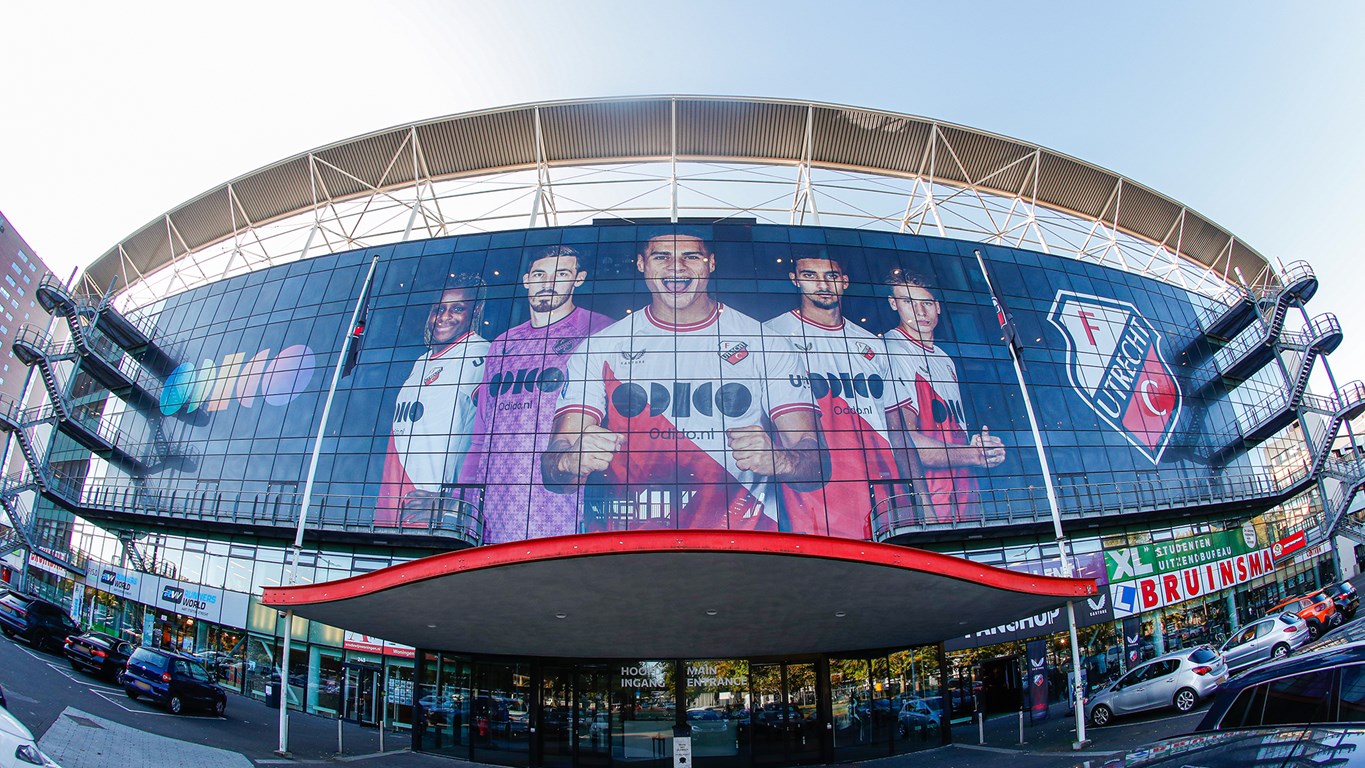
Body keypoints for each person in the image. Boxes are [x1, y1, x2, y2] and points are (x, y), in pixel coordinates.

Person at [542, 232, 824, 530]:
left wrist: (781, 460)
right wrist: (570, 461)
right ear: (641, 265)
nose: (677, 267)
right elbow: (556, 476)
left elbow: (815, 468)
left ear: (711, 264)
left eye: (691, 256)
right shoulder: (600, 347)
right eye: (661, 256)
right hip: (626, 544)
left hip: (740, 543)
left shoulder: (767, 343)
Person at [762, 252, 923, 538]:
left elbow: (898, 431)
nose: (822, 284)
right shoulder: (770, 335)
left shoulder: (872, 344)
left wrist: (923, 501)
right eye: (810, 276)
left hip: (882, 493)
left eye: (831, 276)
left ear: (845, 282)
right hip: (811, 500)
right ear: (795, 280)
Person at [460, 246, 612, 543]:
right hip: (494, 504)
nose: (548, 283)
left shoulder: (600, 329)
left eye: (562, 274)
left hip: (562, 504)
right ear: (527, 279)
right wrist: (462, 494)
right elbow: (481, 432)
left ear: (578, 280)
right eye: (540, 274)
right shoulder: (503, 344)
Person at [883, 271, 1004, 523]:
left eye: (926, 303)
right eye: (908, 302)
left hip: (963, 492)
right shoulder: (891, 351)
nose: (920, 312)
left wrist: (981, 448)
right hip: (932, 501)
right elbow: (905, 442)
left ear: (938, 307)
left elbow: (949, 432)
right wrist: (975, 456)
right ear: (894, 304)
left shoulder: (943, 357)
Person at [376, 274, 490, 526]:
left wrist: (450, 501)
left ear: (476, 311)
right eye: (439, 309)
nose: (444, 316)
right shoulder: (421, 361)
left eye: (457, 308)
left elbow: (494, 437)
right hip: (395, 500)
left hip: (431, 515)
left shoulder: (481, 354)